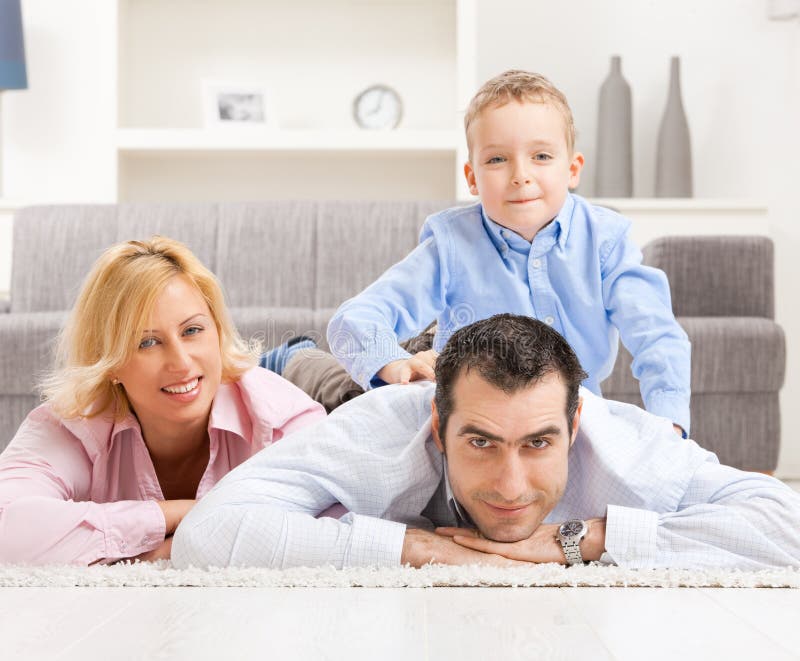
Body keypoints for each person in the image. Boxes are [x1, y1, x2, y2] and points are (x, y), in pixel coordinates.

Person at [172, 315, 800, 571]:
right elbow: (207, 533)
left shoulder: (627, 444)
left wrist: (581, 539)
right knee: (310, 370)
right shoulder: (385, 426)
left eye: (538, 444)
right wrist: (413, 548)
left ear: (574, 425)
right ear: (438, 432)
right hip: (350, 386)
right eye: (480, 443)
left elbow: (784, 525)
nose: (510, 485)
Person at [271, 69, 689, 434]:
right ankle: (291, 358)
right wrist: (395, 366)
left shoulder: (607, 241)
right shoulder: (452, 244)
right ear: (472, 177)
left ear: (573, 168)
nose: (520, 176)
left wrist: (667, 425)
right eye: (497, 160)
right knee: (350, 404)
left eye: (541, 156)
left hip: (557, 408)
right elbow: (355, 318)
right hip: (453, 383)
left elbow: (658, 338)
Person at [0, 237, 325, 565]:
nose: (181, 363)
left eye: (192, 330)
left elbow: (325, 532)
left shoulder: (283, 418)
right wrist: (182, 515)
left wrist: (152, 554)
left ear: (217, 330)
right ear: (109, 362)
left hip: (295, 377)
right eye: (148, 342)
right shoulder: (71, 425)